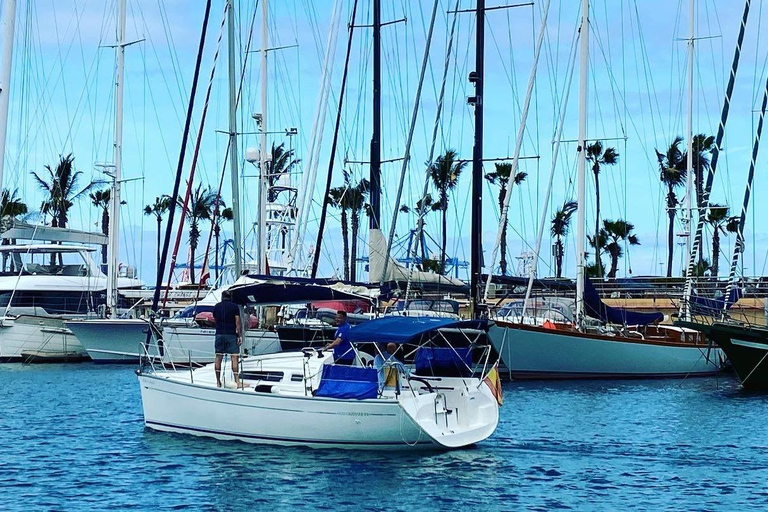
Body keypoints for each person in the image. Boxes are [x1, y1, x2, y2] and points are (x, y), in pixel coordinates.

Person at [212, 290, 242, 387]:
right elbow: (237, 322)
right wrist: (239, 335)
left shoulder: (217, 306)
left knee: (218, 357)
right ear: (230, 297)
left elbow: (215, 319)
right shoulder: (234, 307)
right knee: (234, 357)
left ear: (222, 297)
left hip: (219, 334)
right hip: (231, 334)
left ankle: (218, 382)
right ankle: (237, 381)